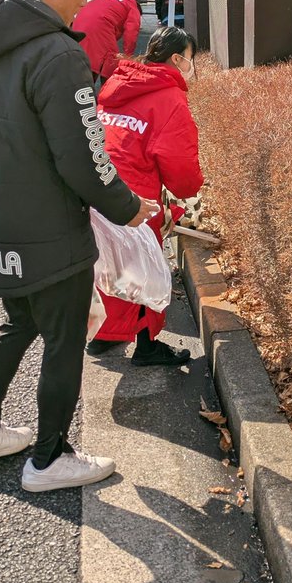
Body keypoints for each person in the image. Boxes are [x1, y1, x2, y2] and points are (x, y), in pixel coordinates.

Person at [0, 0, 158, 492]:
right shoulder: (57, 52)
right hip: (45, 229)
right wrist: (128, 208)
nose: (83, 7)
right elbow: (85, 156)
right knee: (64, 339)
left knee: (17, 322)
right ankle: (48, 459)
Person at [87, 26, 204, 365]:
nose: (191, 67)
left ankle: (103, 335)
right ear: (176, 59)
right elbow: (181, 167)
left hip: (97, 188)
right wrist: (190, 190)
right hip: (135, 200)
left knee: (105, 265)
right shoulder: (169, 98)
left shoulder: (116, 84)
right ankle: (147, 347)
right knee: (142, 270)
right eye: (190, 60)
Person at [73, 0, 141, 85]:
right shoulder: (132, 7)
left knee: (88, 62)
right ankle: (108, 95)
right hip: (100, 28)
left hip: (79, 24)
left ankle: (83, 94)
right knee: (109, 64)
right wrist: (128, 55)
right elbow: (131, 33)